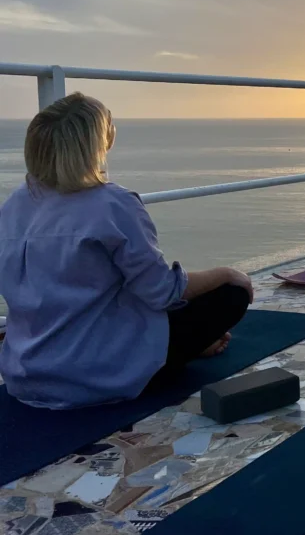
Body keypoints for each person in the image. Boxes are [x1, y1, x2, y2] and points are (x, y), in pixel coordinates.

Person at [0, 93, 253, 410]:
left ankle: (176, 350)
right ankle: (161, 362)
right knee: (231, 294)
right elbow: (162, 292)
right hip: (97, 375)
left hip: (26, 376)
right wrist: (227, 274)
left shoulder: (14, 206)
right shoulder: (112, 204)